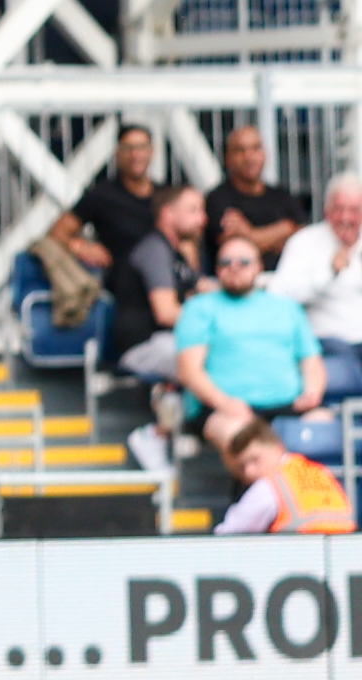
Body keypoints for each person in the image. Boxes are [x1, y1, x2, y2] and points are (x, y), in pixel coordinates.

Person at [171, 235, 323, 462]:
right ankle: (267, 496)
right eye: (225, 262)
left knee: (325, 426)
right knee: (249, 445)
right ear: (216, 268)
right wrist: (226, 404)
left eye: (243, 262)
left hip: (288, 406)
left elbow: (311, 360)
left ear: (258, 267)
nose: (234, 268)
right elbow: (189, 371)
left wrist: (313, 392)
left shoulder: (287, 307)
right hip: (224, 410)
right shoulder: (199, 308)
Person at [36, 123, 159, 326]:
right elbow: (59, 231)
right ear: (117, 154)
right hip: (124, 294)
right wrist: (79, 246)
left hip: (163, 286)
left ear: (152, 152)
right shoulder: (102, 195)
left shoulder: (164, 196)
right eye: (128, 148)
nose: (136, 154)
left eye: (142, 147)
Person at [269, 175, 362, 402]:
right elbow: (278, 294)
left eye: (354, 210)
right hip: (329, 343)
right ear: (326, 210)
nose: (346, 218)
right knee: (343, 374)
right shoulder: (305, 242)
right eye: (339, 209)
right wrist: (327, 273)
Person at [113, 183, 208, 387]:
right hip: (145, 346)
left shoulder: (176, 253)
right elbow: (166, 313)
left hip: (167, 341)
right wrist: (218, 319)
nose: (203, 219)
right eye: (193, 210)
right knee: (210, 361)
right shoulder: (154, 250)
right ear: (167, 214)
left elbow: (203, 288)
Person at [214, 419, 356, 534]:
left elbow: (230, 533)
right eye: (242, 467)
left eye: (254, 459)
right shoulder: (321, 473)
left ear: (278, 448)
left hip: (299, 559)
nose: (249, 471)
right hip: (342, 556)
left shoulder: (270, 485)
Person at [204, 124, 306, 269]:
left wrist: (248, 234)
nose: (249, 157)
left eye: (255, 148)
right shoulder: (217, 199)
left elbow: (303, 240)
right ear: (227, 159)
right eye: (240, 150)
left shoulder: (283, 196)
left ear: (265, 154)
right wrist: (284, 229)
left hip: (284, 282)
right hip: (237, 285)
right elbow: (233, 248)